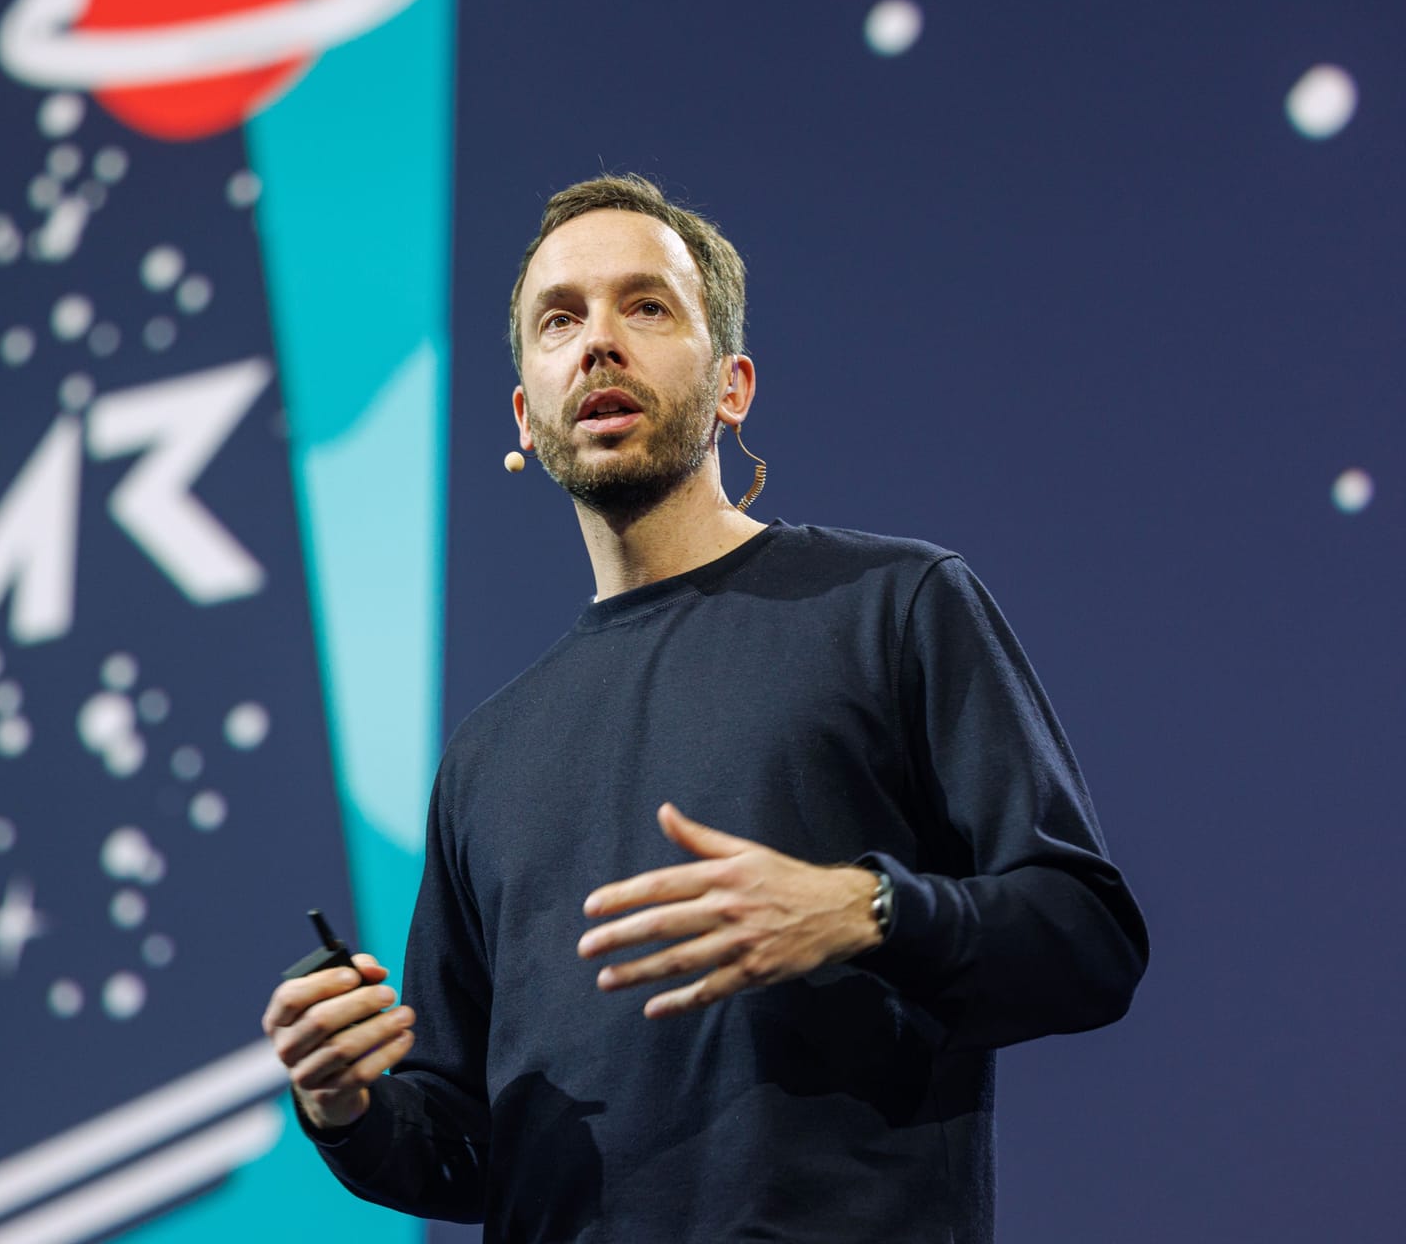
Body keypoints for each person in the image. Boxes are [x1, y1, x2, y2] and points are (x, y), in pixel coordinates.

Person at [260, 174, 1148, 1241]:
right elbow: (471, 1138)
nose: (598, 343)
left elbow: (1087, 937)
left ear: (733, 386)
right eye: (560, 318)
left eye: (646, 306)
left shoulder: (894, 604)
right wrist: (345, 1102)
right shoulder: (485, 757)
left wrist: (863, 911)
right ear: (526, 419)